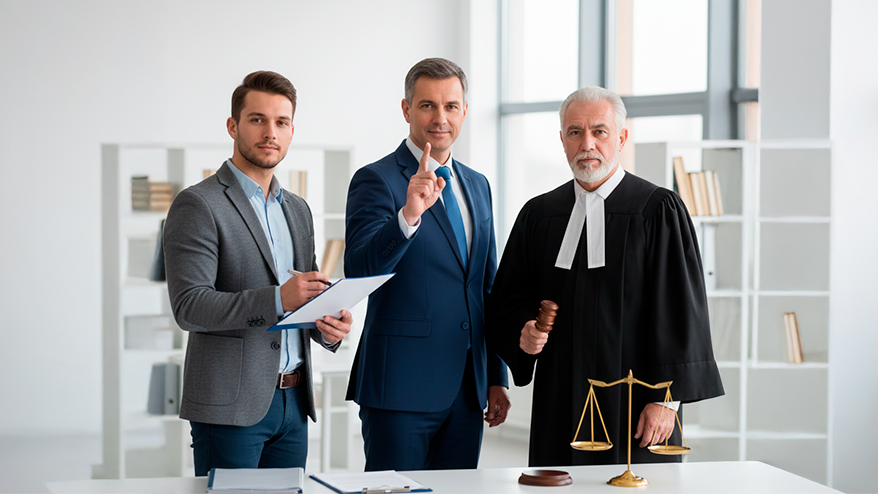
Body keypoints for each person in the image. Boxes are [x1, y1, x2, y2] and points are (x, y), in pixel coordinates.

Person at [486, 86, 724, 467]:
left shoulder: (657, 210)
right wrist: (523, 330)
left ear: (621, 138)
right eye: (575, 132)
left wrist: (666, 401)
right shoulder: (539, 215)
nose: (588, 144)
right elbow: (509, 297)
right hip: (559, 401)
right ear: (562, 139)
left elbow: (681, 311)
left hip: (637, 405)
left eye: (600, 131)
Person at [163, 70, 352, 476]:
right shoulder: (198, 204)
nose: (271, 132)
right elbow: (190, 306)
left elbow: (307, 293)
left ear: (291, 130)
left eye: (281, 122)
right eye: (257, 120)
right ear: (233, 126)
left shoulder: (297, 209)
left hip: (293, 403)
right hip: (230, 405)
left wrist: (327, 324)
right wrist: (277, 299)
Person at [343, 58, 510, 471]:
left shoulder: (477, 184)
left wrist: (495, 376)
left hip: (467, 392)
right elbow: (360, 271)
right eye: (427, 106)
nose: (440, 118)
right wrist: (408, 218)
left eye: (451, 106)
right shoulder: (377, 179)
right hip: (400, 388)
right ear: (406, 110)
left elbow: (487, 287)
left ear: (465, 112)